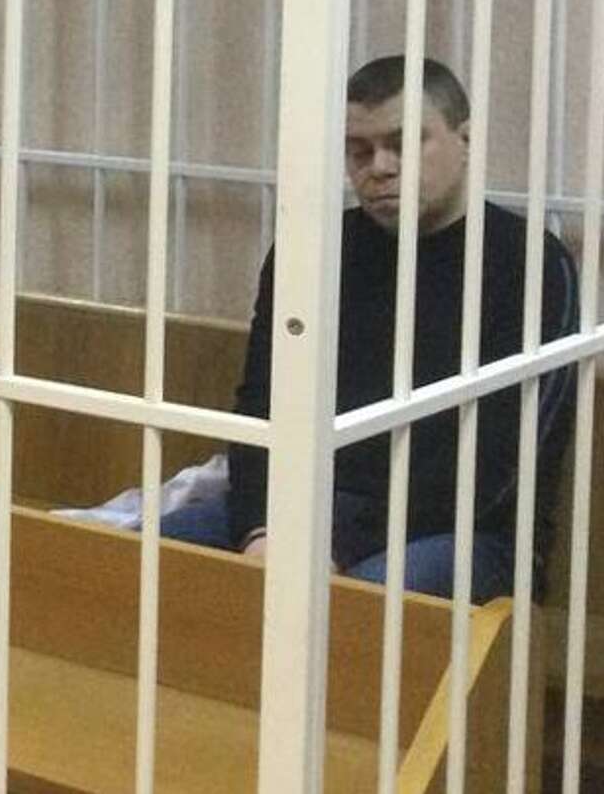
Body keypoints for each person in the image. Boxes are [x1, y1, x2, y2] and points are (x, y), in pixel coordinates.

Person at [162, 55, 581, 601]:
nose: (379, 167)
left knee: (359, 602)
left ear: (465, 140)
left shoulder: (530, 264)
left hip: (468, 530)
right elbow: (262, 407)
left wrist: (336, 542)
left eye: (404, 144)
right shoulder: (311, 250)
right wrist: (260, 528)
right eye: (359, 150)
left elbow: (505, 464)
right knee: (140, 556)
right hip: (311, 505)